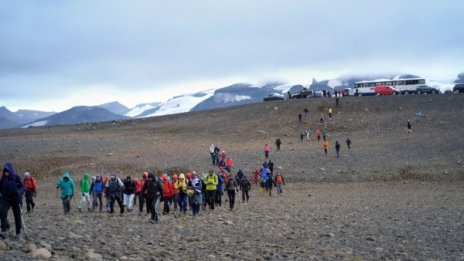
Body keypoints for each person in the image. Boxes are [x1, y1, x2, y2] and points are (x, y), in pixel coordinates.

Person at [0, 162, 24, 238]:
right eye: (4, 171)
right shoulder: (3, 178)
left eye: (7, 171)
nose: (6, 173)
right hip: (6, 198)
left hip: (16, 198)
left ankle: (18, 232)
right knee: (2, 212)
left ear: (10, 171)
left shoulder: (16, 177)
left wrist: (19, 192)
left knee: (17, 215)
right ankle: (4, 229)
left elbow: (22, 187)